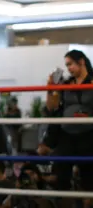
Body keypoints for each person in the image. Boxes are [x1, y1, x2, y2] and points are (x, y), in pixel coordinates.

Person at [45, 49, 93, 208]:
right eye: (67, 65)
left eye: (71, 64)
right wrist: (50, 87)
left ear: (81, 62)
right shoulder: (66, 83)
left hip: (87, 134)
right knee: (61, 175)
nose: (69, 68)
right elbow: (52, 107)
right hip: (67, 133)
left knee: (88, 178)